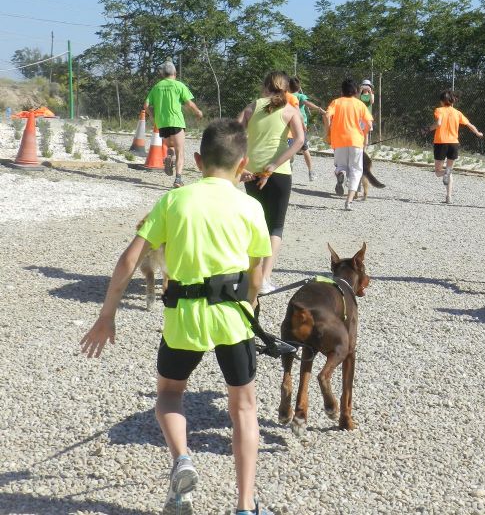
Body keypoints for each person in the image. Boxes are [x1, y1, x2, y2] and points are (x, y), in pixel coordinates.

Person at [80, 119, 275, 515]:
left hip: (183, 316)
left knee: (170, 393)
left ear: (199, 160)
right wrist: (251, 308)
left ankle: (182, 459)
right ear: (244, 165)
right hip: (232, 317)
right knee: (244, 408)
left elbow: (129, 259)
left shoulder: (173, 201)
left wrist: (107, 315)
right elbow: (256, 274)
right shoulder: (251, 206)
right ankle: (244, 505)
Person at [237, 72, 305, 295]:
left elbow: (234, 133)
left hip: (252, 171)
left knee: (256, 224)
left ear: (265, 87)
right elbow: (300, 140)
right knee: (275, 226)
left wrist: (239, 165)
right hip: (278, 172)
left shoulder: (252, 106)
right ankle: (264, 278)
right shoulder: (289, 109)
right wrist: (276, 163)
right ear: (286, 89)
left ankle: (249, 275)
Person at [144, 60, 203, 188]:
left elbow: (146, 106)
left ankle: (169, 157)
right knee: (180, 150)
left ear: (163, 74)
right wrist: (198, 112)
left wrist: (153, 118)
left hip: (162, 123)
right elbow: (189, 103)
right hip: (176, 122)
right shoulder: (179, 85)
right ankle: (178, 179)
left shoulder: (156, 87)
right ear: (175, 73)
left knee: (170, 145)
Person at [324, 78, 374, 211]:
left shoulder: (336, 102)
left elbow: (327, 115)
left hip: (338, 140)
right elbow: (369, 124)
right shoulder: (360, 104)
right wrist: (363, 134)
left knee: (341, 166)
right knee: (356, 170)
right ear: (356, 92)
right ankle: (348, 202)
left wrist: (328, 131)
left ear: (342, 91)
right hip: (356, 140)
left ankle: (341, 173)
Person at [429, 90, 483, 204]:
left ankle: (446, 173)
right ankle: (448, 197)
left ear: (442, 101)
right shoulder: (457, 113)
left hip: (441, 143)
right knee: (449, 169)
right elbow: (470, 125)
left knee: (439, 171)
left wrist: (428, 129)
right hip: (454, 143)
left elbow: (438, 123)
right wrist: (478, 133)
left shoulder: (439, 110)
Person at [288, 76, 327, 182]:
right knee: (305, 149)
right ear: (299, 86)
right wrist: (318, 109)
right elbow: (308, 104)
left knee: (289, 148)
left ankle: (290, 164)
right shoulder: (300, 96)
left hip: (289, 126)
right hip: (300, 125)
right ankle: (311, 171)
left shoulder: (286, 96)